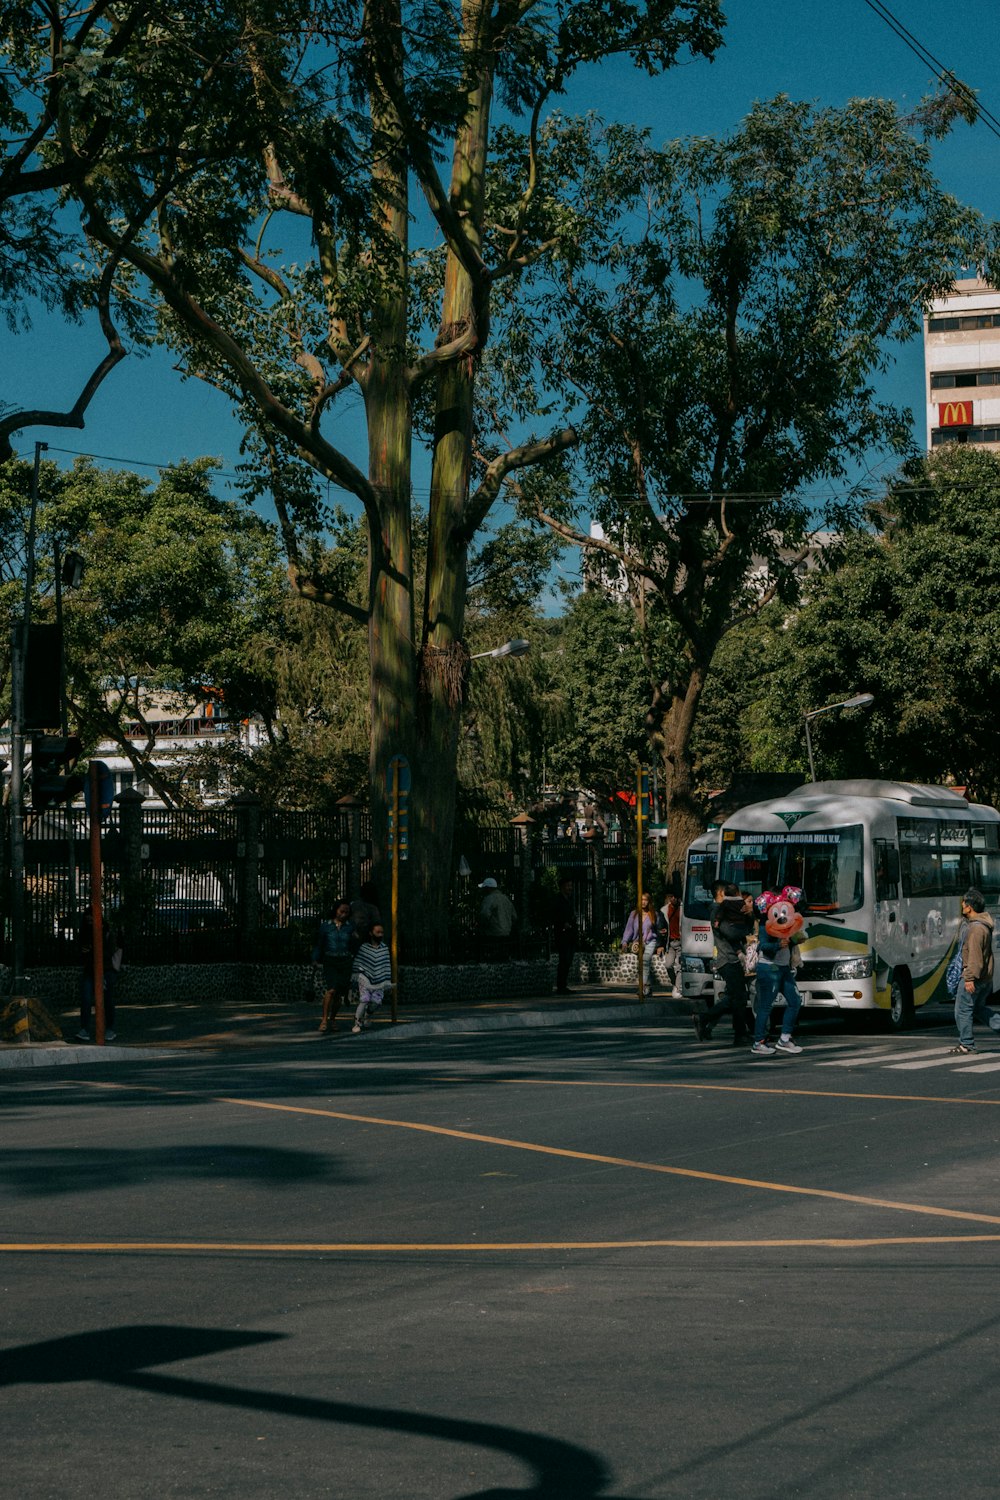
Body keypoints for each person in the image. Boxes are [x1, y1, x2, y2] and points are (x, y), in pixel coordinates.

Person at [693, 883, 755, 1045]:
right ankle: (708, 1020)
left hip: (732, 958)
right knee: (738, 997)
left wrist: (748, 915)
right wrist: (744, 930)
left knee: (735, 997)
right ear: (721, 893)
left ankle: (713, 1025)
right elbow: (730, 932)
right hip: (727, 958)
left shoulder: (726, 909)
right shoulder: (717, 911)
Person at [751, 887, 805, 1057]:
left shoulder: (787, 923)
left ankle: (785, 1038)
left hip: (783, 968)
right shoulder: (766, 925)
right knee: (766, 1006)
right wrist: (777, 945)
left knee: (795, 1000)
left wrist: (797, 939)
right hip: (769, 967)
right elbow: (762, 946)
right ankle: (758, 1042)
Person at [950, 887, 999, 1054]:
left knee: (962, 1010)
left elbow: (975, 956)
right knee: (978, 1009)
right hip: (984, 977)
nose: (962, 905)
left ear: (969, 906)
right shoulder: (980, 925)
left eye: (964, 903)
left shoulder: (976, 929)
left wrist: (969, 978)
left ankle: (966, 1044)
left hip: (974, 977)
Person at [312, 899, 355, 1033]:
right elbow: (319, 944)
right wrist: (315, 959)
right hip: (330, 960)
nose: (343, 914)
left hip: (345, 960)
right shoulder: (326, 926)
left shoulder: (350, 927)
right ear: (335, 910)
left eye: (346, 912)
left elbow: (354, 943)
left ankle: (333, 1018)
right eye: (341, 911)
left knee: (339, 994)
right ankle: (324, 1019)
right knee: (331, 989)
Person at [76, 910, 118, 1043]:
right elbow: (80, 953)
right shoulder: (84, 934)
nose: (90, 924)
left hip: (106, 970)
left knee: (108, 1000)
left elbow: (112, 952)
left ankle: (109, 1028)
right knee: (86, 999)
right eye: (88, 921)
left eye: (92, 921)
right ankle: (85, 1029)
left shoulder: (107, 933)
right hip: (90, 970)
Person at [351, 921, 394, 1033]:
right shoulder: (364, 947)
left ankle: (367, 1015)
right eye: (377, 932)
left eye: (382, 932)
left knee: (377, 1002)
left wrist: (387, 980)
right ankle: (357, 1023)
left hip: (380, 980)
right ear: (371, 933)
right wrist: (356, 973)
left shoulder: (384, 949)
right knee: (364, 1000)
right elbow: (358, 961)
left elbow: (386, 964)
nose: (380, 934)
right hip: (365, 978)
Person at [622, 891, 657, 997]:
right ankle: (648, 987)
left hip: (650, 941)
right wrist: (625, 941)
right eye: (641, 900)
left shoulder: (654, 914)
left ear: (649, 901)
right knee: (642, 965)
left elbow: (659, 928)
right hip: (638, 943)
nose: (643, 902)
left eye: (645, 900)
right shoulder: (634, 914)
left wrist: (661, 944)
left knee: (645, 962)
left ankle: (641, 988)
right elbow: (629, 929)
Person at [478, 877, 517, 957]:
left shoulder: (488, 899)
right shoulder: (506, 899)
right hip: (506, 934)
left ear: (488, 888)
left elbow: (484, 915)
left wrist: (483, 926)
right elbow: (514, 917)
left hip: (493, 934)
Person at [655, 890, 683, 998]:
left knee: (680, 966)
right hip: (670, 942)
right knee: (668, 965)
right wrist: (660, 945)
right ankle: (675, 983)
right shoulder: (664, 910)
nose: (673, 899)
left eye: (675, 896)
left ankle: (677, 988)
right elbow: (660, 928)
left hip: (681, 942)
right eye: (671, 896)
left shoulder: (683, 909)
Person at [553, 875, 577, 993]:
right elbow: (555, 916)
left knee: (568, 960)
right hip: (562, 935)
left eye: (571, 885)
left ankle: (563, 984)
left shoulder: (569, 900)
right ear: (562, 887)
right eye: (568, 885)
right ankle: (560, 986)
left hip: (570, 934)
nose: (570, 888)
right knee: (564, 960)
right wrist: (563, 924)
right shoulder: (558, 900)